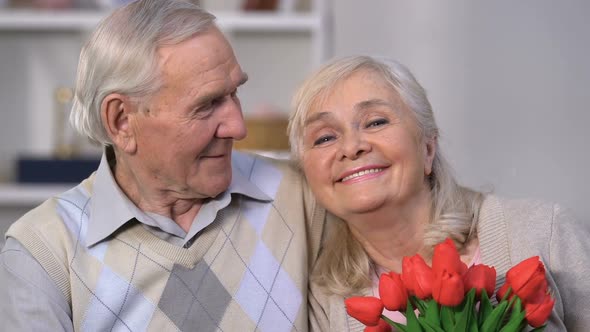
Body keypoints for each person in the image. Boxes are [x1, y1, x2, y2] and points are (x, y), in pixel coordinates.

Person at [0, 1, 327, 330]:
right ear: (121, 121)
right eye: (207, 104)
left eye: (234, 93)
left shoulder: (304, 196)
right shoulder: (43, 252)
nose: (238, 127)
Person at [287, 55, 590, 331]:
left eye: (376, 122)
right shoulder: (324, 300)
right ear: (308, 174)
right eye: (325, 137)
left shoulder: (544, 231)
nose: (352, 147)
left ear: (428, 147)